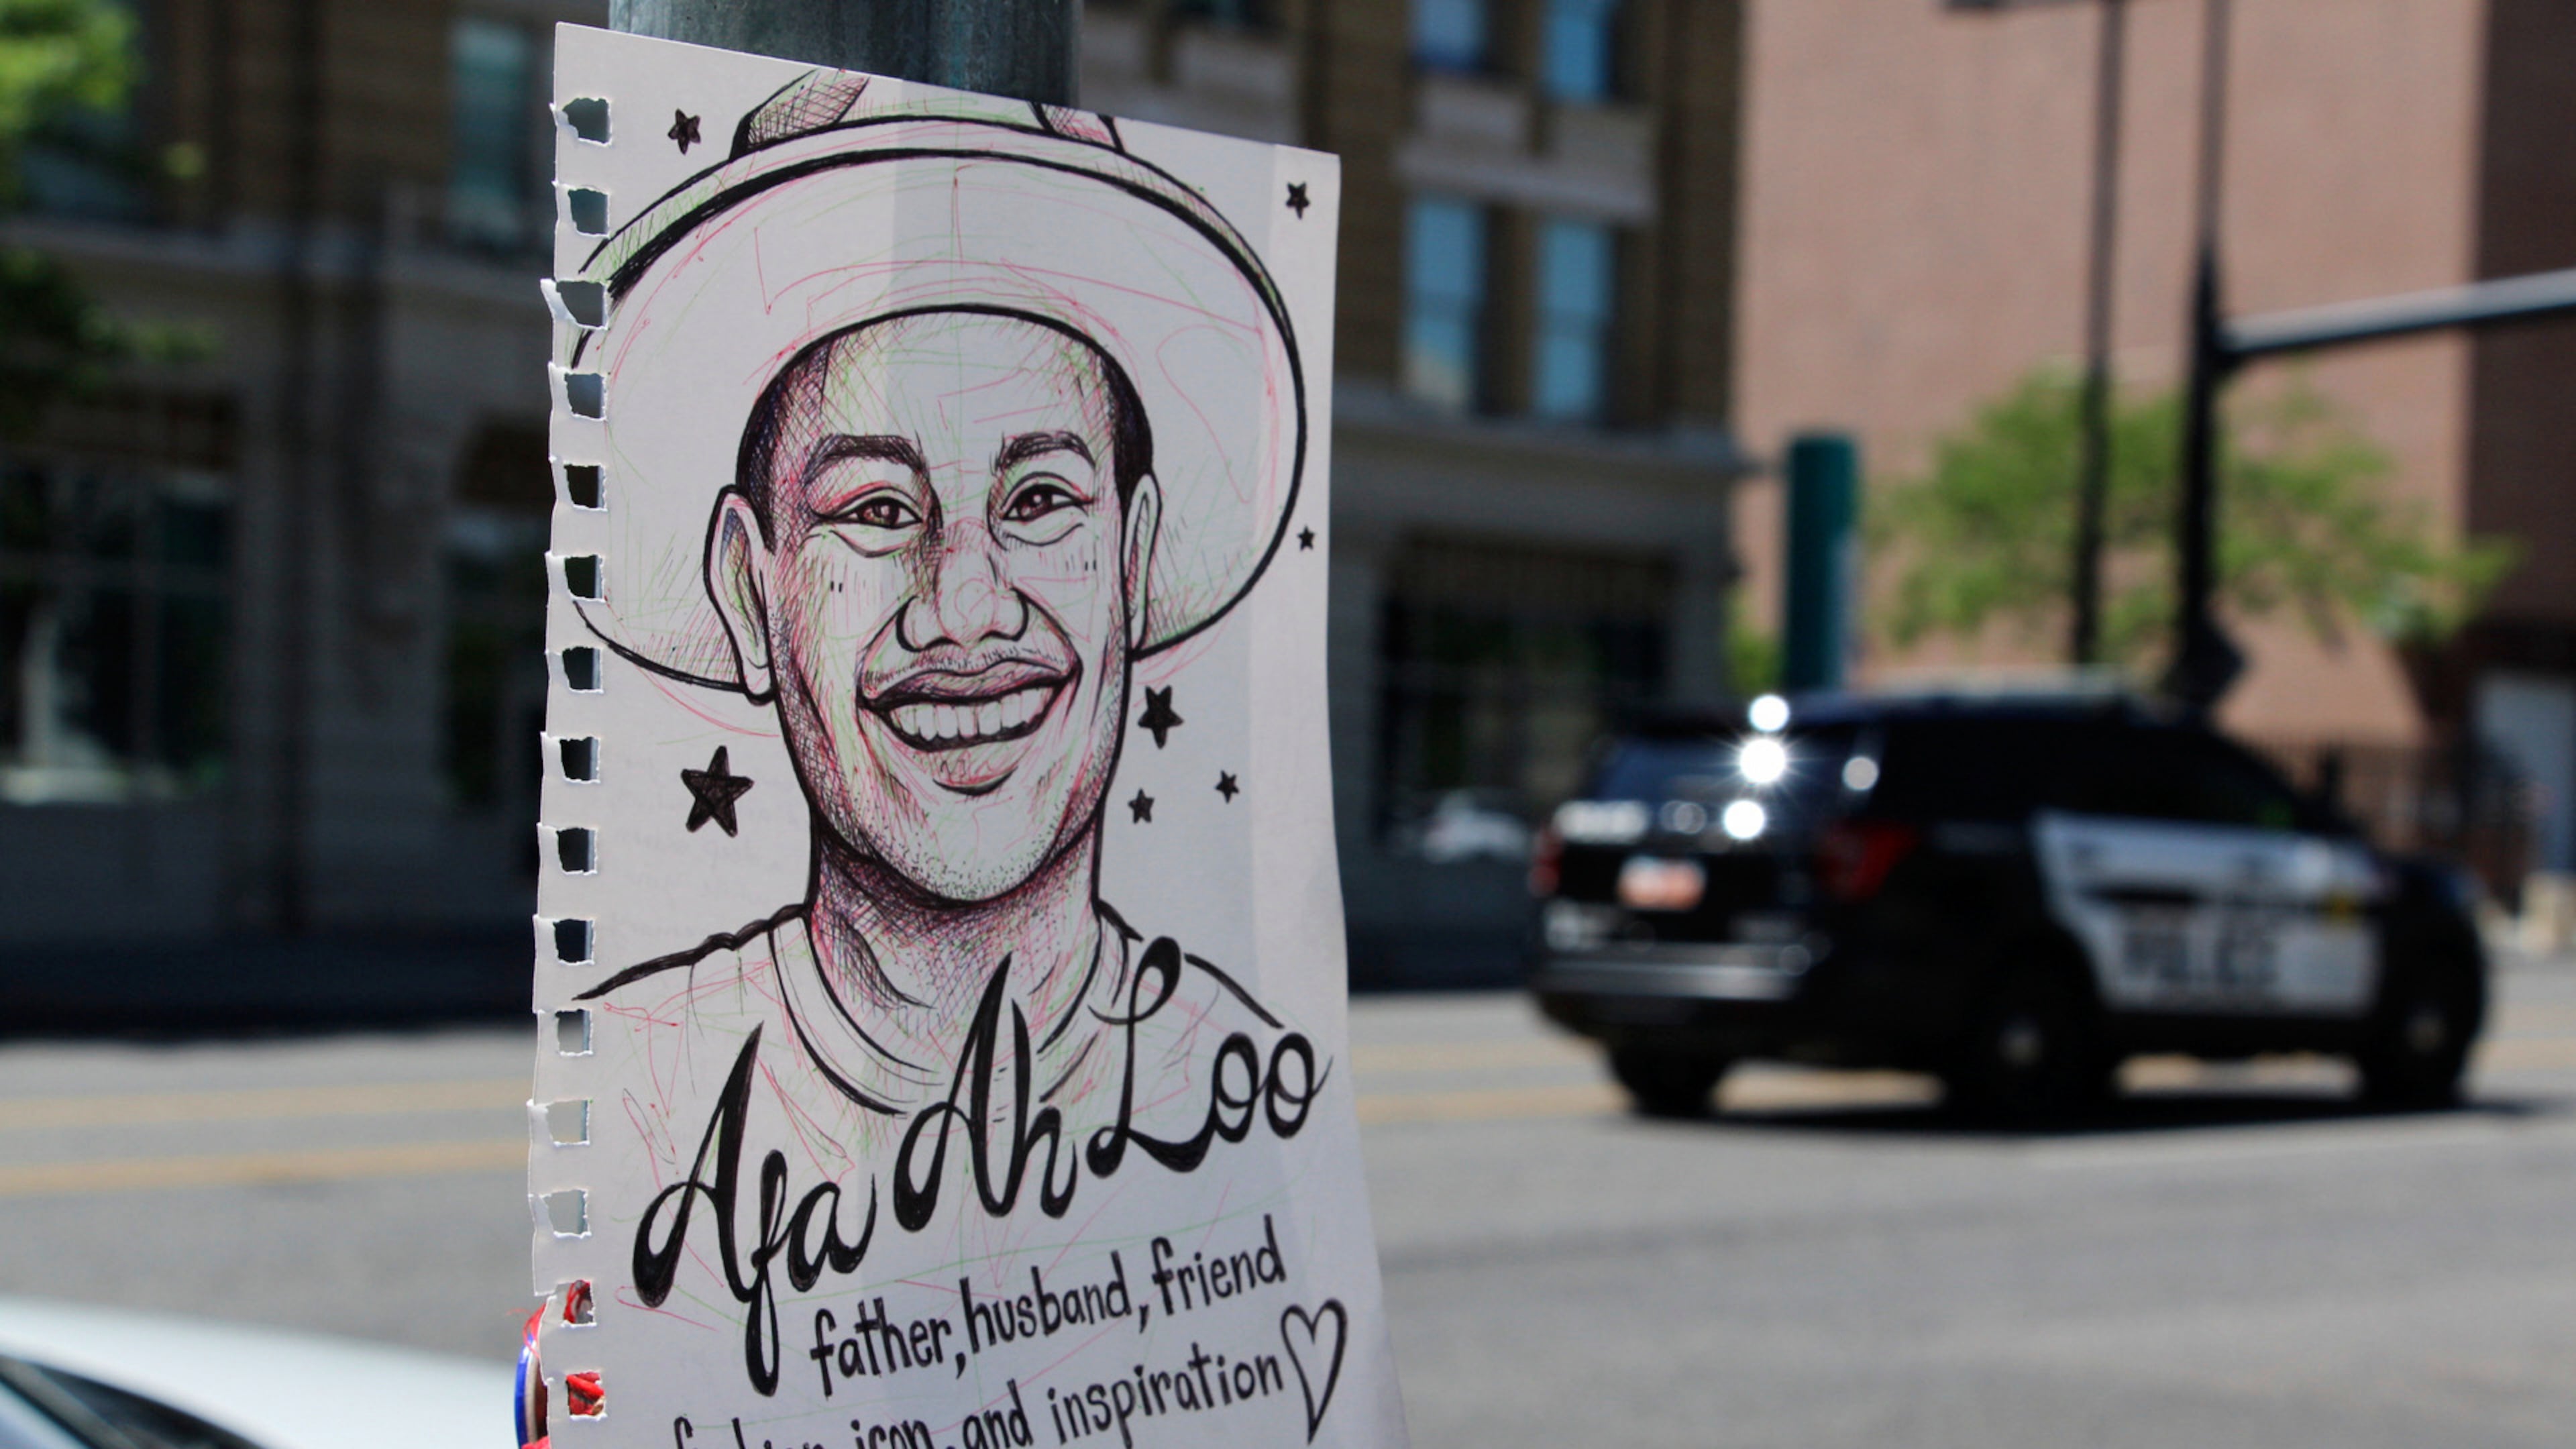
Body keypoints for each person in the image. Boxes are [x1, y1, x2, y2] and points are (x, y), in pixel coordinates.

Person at [554, 74, 1322, 1384]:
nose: (964, 610)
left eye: (1037, 500)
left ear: (1134, 568)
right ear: (753, 591)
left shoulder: (1250, 1080)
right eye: (874, 510)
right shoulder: (632, 1087)